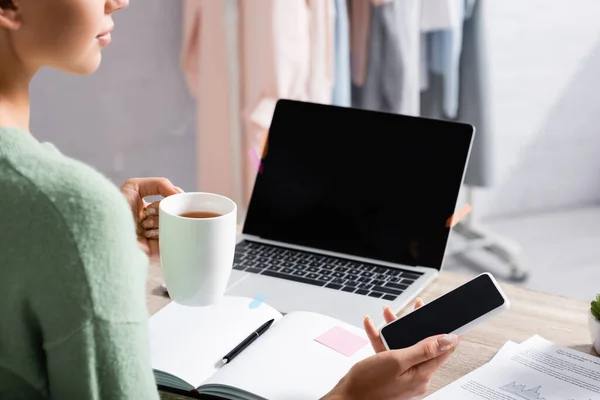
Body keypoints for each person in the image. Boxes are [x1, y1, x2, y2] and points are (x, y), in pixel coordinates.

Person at [0, 0, 459, 399]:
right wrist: (350, 396)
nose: (119, 1)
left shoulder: (54, 203)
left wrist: (112, 248)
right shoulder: (70, 210)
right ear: (8, 7)